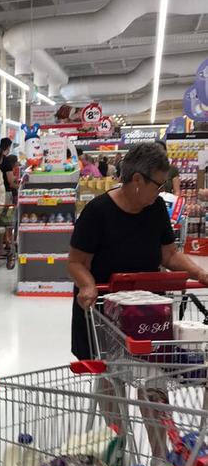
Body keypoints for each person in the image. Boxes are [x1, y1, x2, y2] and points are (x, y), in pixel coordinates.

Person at [68, 142, 208, 361]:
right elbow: (76, 262)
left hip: (148, 311)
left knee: (153, 374)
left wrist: (199, 273)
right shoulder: (97, 212)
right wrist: (87, 285)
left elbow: (169, 254)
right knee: (111, 376)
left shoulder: (157, 208)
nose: (161, 191)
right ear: (137, 180)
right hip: (105, 313)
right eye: (158, 185)